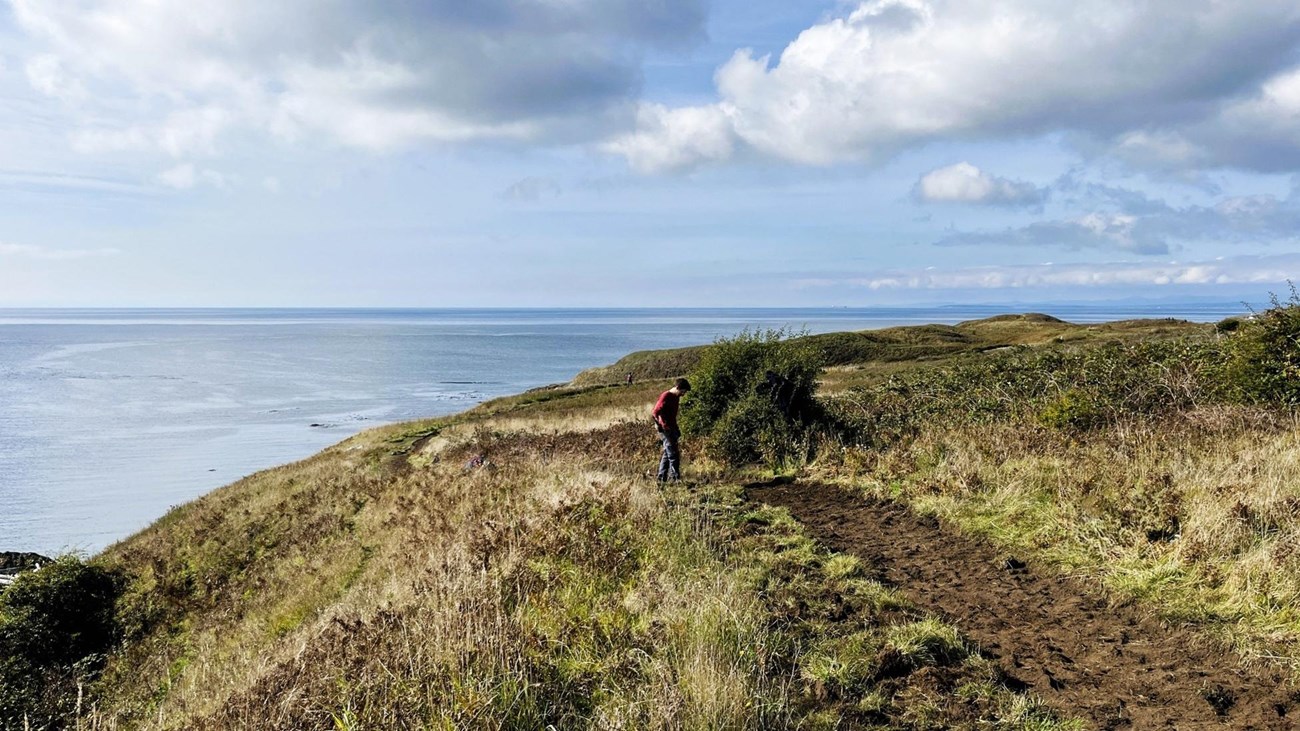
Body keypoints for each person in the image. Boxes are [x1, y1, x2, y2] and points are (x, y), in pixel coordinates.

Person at [652, 377, 691, 481]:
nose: (683, 394)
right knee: (673, 455)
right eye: (683, 392)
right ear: (677, 387)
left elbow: (672, 415)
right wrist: (659, 425)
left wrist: (676, 428)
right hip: (666, 430)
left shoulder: (675, 397)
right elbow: (655, 412)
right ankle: (675, 479)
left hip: (672, 428)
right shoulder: (666, 396)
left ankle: (661, 478)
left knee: (667, 454)